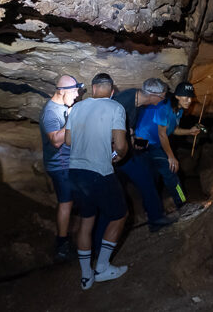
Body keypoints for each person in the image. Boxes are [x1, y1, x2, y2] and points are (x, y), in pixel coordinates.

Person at [65, 73, 129, 290]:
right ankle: (102, 268)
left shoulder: (77, 108)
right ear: (111, 92)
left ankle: (86, 276)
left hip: (75, 172)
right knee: (120, 215)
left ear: (93, 89)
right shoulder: (115, 108)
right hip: (99, 172)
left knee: (86, 221)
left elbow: (68, 140)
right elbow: (120, 145)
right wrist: (120, 153)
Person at [110, 78, 177, 232]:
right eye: (162, 97)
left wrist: (134, 140)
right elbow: (106, 126)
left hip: (125, 150)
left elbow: (129, 128)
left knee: (147, 177)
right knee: (113, 199)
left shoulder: (139, 103)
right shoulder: (123, 101)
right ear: (153, 95)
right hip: (112, 152)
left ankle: (155, 218)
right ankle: (98, 245)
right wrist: (113, 150)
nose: (162, 101)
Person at [134, 81, 201, 216]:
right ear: (177, 96)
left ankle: (152, 210)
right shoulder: (163, 106)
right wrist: (171, 157)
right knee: (169, 171)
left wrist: (189, 131)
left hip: (155, 144)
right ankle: (181, 205)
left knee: (155, 177)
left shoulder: (179, 110)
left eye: (191, 97)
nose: (189, 101)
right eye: (186, 97)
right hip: (144, 143)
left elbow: (173, 129)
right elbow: (162, 133)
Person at [39, 74, 82, 262]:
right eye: (74, 92)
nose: (77, 95)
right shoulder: (50, 112)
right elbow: (56, 141)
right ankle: (62, 243)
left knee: (75, 200)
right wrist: (72, 118)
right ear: (61, 91)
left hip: (69, 162)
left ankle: (79, 236)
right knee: (66, 202)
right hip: (60, 165)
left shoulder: (63, 105)